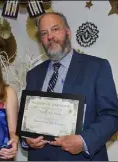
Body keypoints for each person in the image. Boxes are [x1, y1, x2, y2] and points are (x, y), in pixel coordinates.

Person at [22, 12, 118, 161]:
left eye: (55, 29)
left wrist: (84, 140)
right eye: (44, 33)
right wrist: (27, 139)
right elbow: (27, 119)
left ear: (68, 32)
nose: (50, 37)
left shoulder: (97, 67)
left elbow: (111, 115)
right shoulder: (33, 74)